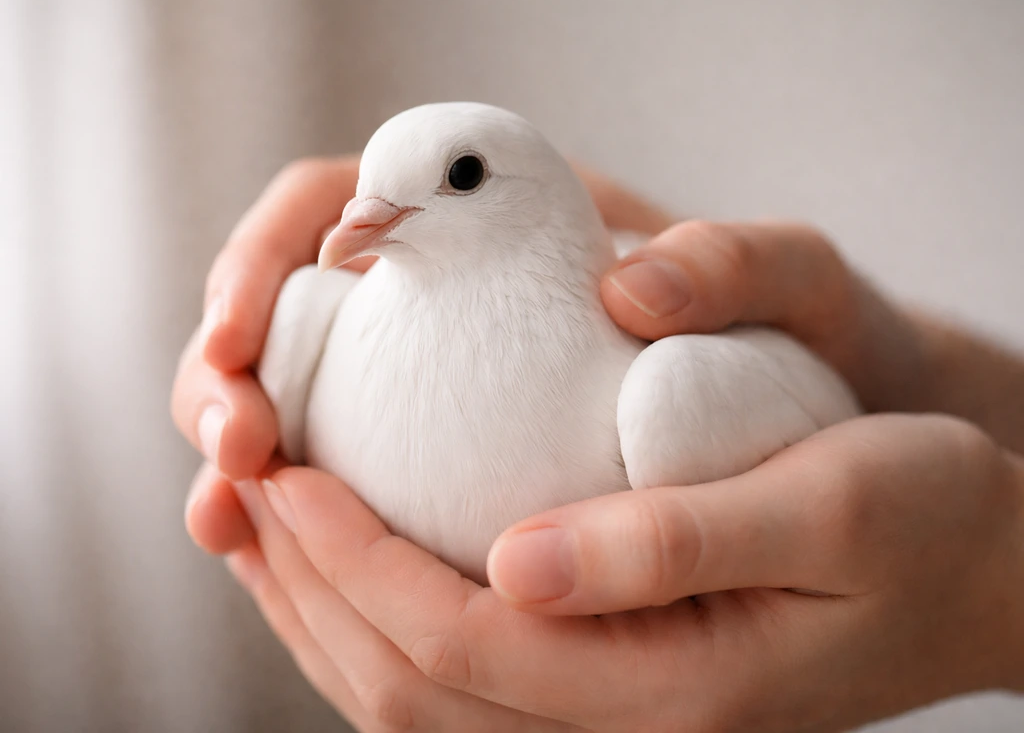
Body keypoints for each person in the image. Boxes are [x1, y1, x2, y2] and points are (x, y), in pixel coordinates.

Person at [171, 156, 1024, 732]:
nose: (360, 217)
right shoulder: (319, 316)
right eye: (371, 187)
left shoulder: (665, 389)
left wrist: (998, 581)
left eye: (463, 175)